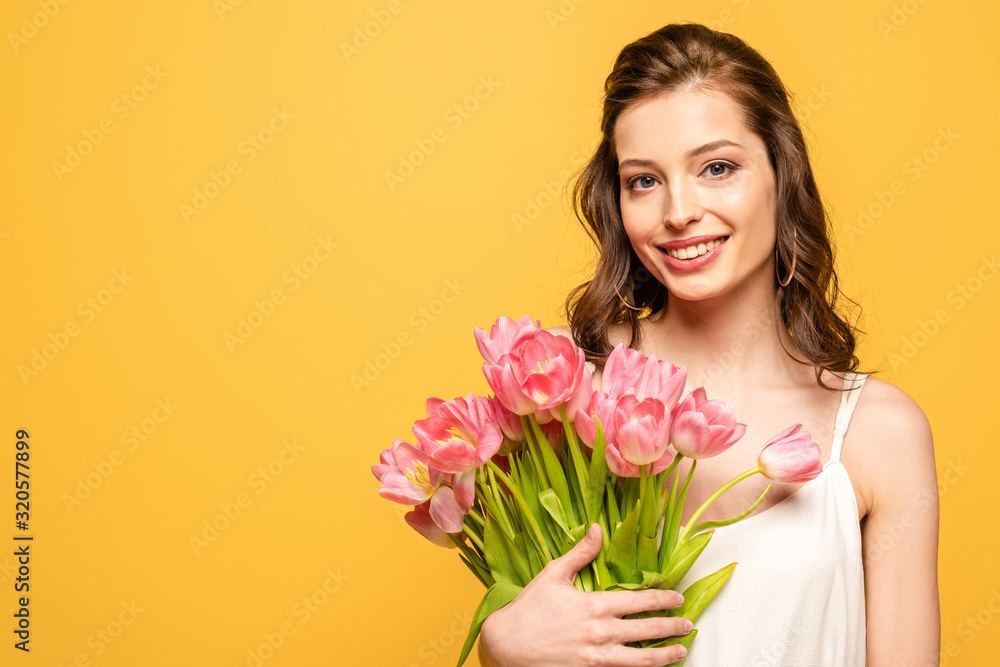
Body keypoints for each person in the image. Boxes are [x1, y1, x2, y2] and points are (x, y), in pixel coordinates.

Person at [478, 22, 939, 666]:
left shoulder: (878, 432)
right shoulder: (553, 382)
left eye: (716, 168)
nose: (678, 212)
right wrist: (500, 651)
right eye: (643, 180)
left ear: (783, 174)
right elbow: (522, 613)